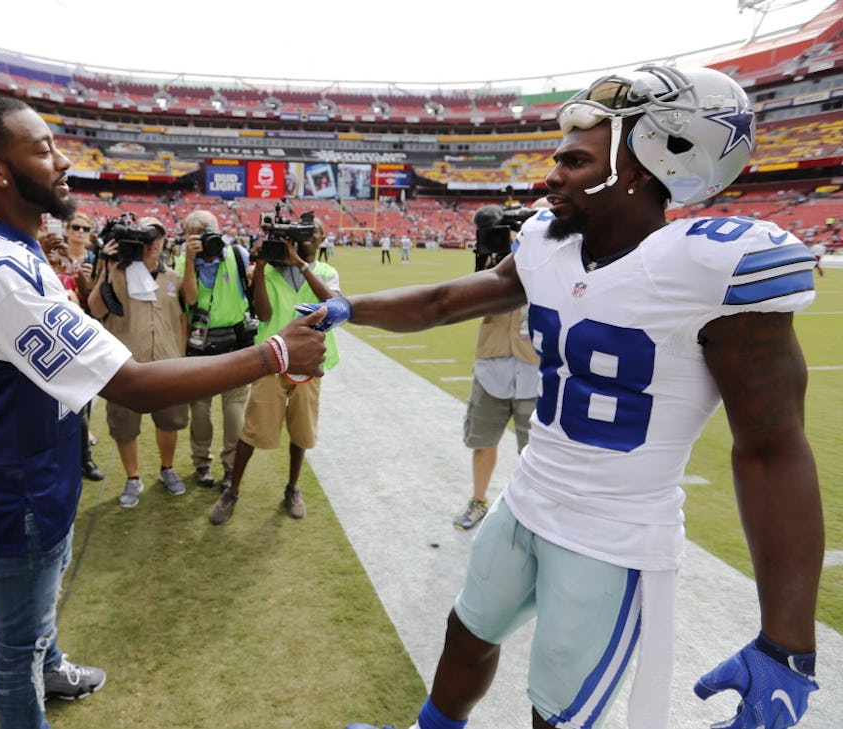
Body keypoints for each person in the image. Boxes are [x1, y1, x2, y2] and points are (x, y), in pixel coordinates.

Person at [326, 66, 821, 729]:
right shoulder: (547, 242)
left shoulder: (707, 271)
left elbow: (771, 448)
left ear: (644, 164)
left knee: (557, 711)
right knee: (467, 633)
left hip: (611, 535)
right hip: (528, 498)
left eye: (574, 159)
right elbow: (447, 299)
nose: (551, 174)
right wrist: (348, 305)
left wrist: (787, 644)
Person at [0, 97, 326, 729]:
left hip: (20, 462)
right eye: (40, 149)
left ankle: (53, 666)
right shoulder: (0, 267)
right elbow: (133, 384)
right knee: (16, 644)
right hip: (15, 483)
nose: (62, 161)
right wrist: (274, 351)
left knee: (39, 614)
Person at [210, 216, 342, 525]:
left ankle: (293, 487)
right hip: (273, 358)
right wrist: (260, 269)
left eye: (314, 232)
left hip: (310, 361)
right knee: (253, 427)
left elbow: (334, 306)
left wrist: (300, 264)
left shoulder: (326, 272)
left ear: (323, 237)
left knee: (302, 428)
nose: (309, 237)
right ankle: (233, 489)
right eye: (303, 233)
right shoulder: (269, 271)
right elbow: (264, 313)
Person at [87, 216, 190, 507]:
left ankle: (167, 468)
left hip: (167, 366)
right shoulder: (116, 273)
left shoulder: (172, 277)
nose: (153, 243)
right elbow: (95, 310)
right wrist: (106, 267)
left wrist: (179, 354)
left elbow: (182, 318)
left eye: (157, 236)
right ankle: (133, 478)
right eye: (146, 238)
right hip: (126, 367)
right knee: (125, 426)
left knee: (170, 421)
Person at [452, 206, 540, 532]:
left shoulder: (554, 258)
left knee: (535, 452)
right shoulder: (494, 261)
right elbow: (474, 296)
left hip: (535, 367)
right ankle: (478, 499)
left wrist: (531, 242)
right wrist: (497, 249)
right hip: (493, 363)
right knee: (483, 440)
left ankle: (531, 514)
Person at [179, 209, 255, 490]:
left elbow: (253, 283)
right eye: (195, 235)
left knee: (234, 408)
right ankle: (202, 464)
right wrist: (189, 259)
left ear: (219, 230)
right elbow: (189, 297)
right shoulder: (184, 258)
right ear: (188, 238)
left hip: (235, 342)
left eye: (208, 232)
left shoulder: (236, 255)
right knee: (200, 409)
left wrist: (253, 272)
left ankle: (231, 468)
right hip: (200, 344)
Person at [63, 210, 103, 481]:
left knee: (84, 396)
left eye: (84, 228)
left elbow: (96, 302)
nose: (79, 232)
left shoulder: (93, 259)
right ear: (66, 229)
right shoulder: (51, 254)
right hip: (55, 333)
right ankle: (75, 454)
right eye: (75, 227)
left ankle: (82, 456)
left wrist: (88, 283)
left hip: (84, 332)